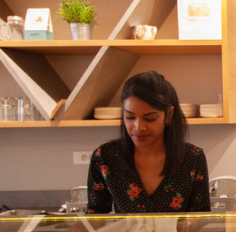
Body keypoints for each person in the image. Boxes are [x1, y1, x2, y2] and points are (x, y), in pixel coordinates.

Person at [87, 71, 210, 214]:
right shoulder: (105, 157)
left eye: (150, 118)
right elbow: (95, 215)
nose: (138, 128)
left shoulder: (192, 157)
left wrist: (181, 227)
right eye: (130, 117)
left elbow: (201, 214)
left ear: (169, 115)